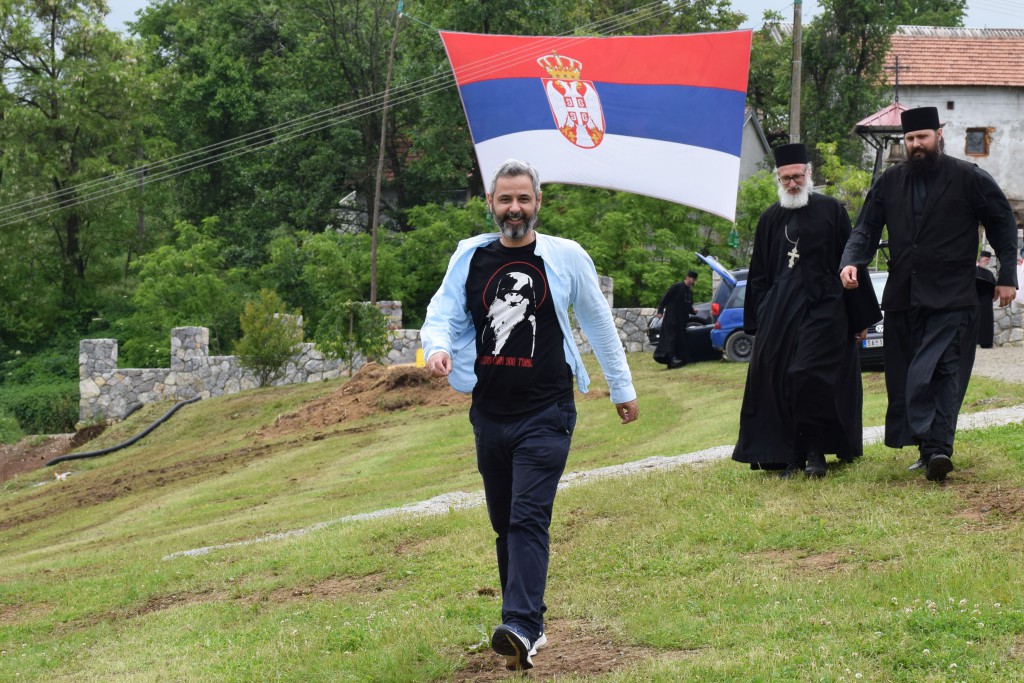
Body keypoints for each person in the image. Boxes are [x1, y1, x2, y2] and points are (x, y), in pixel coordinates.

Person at [420, 158, 639, 671]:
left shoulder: (565, 256)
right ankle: (526, 625)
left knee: (527, 517)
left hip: (546, 411)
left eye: (523, 198)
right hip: (489, 413)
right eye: (505, 199)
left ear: (538, 202)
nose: (514, 208)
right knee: (504, 523)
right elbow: (442, 313)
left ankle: (519, 623)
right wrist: (436, 348)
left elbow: (598, 323)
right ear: (491, 204)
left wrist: (621, 387)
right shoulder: (470, 256)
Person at [840, 106, 1018, 482]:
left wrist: (1007, 275)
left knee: (942, 370)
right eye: (909, 139)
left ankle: (939, 449)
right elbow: (866, 227)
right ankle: (928, 450)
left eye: (922, 136)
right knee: (906, 375)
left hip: (953, 295)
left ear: (939, 134)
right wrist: (852, 260)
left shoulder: (968, 177)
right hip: (903, 295)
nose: (916, 144)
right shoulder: (890, 181)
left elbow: (1002, 221)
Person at [732, 143, 879, 478]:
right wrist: (758, 321)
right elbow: (759, 274)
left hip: (825, 306)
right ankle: (790, 454)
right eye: (785, 179)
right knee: (778, 378)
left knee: (809, 374)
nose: (792, 184)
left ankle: (815, 452)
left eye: (797, 177)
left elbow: (851, 262)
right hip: (780, 311)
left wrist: (859, 317)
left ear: (809, 174)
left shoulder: (831, 210)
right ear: (778, 179)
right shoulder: (770, 218)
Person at [653, 270, 698, 368]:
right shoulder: (676, 287)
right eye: (692, 279)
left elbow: (687, 305)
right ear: (687, 277)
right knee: (670, 338)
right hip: (672, 318)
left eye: (695, 280)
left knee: (679, 339)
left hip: (682, 320)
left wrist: (693, 311)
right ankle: (671, 359)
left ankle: (679, 360)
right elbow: (665, 299)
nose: (693, 282)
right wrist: (660, 311)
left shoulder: (689, 292)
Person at [975, 250, 997, 348]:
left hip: (987, 302)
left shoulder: (989, 273)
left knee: (987, 322)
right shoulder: (974, 271)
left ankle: (986, 342)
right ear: (981, 259)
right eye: (987, 259)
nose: (988, 262)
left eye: (989, 260)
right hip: (976, 300)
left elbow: (994, 286)